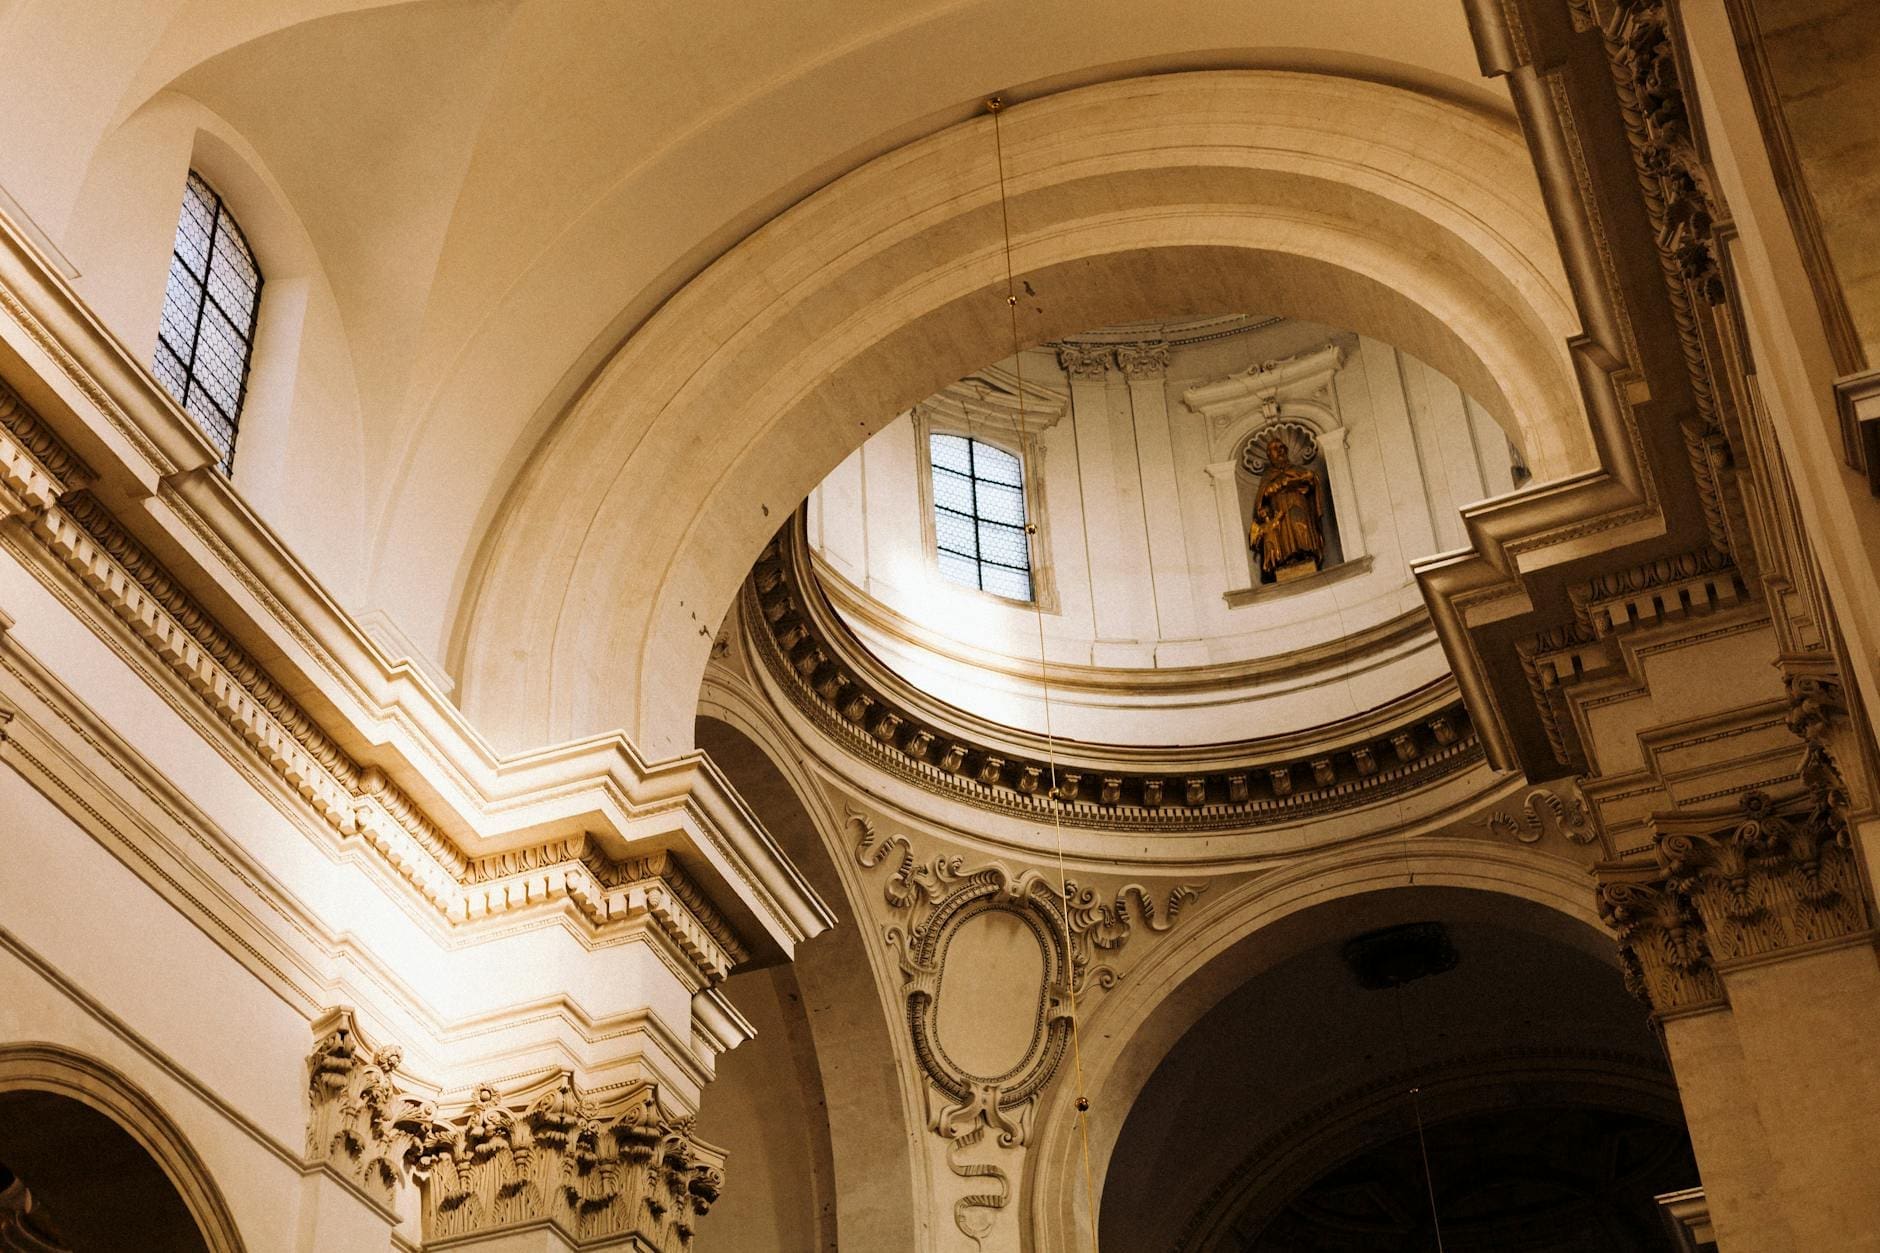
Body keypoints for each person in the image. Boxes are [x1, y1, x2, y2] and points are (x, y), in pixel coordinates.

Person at [1250, 437, 1324, 578]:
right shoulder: (1268, 476)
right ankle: (1287, 560)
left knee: (1300, 524)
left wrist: (1301, 480)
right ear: (1269, 455)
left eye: (1282, 447)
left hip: (1298, 503)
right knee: (1284, 530)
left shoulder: (1297, 469)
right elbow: (1262, 497)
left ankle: (1307, 554)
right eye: (1275, 448)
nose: (1280, 450)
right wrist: (1279, 484)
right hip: (1279, 508)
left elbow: (1311, 481)